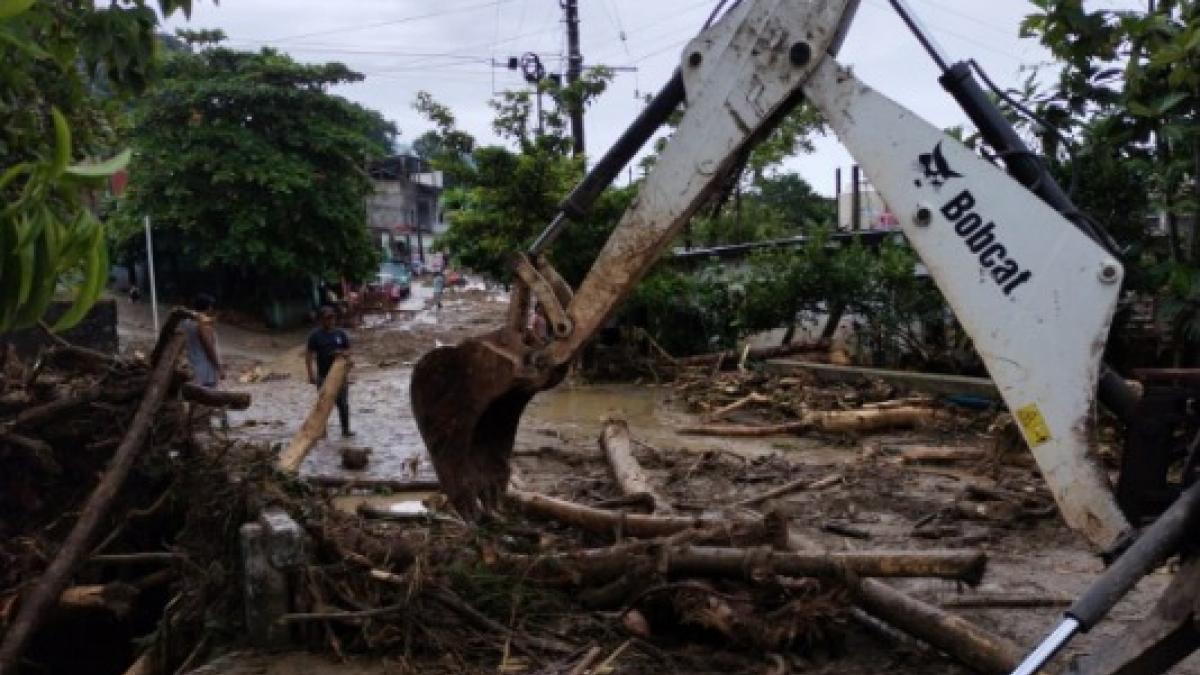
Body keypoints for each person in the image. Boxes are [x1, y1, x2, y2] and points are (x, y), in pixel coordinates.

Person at [306, 306, 355, 437]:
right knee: (323, 406)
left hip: (340, 376)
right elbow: (309, 356)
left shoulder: (340, 334)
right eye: (327, 318)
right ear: (321, 320)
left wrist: (342, 353)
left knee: (343, 404)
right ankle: (322, 432)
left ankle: (346, 430)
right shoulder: (315, 336)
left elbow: (349, 350)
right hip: (323, 376)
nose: (331, 320)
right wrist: (311, 374)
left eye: (332, 317)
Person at [183, 293, 223, 388]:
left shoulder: (186, 322)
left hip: (191, 365)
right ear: (208, 307)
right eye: (211, 306)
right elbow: (209, 348)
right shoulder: (202, 325)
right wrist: (219, 367)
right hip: (206, 370)